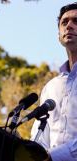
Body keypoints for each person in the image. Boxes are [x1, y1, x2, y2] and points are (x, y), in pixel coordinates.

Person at [31, 2, 77, 161]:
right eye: (64, 22)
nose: (69, 25)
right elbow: (40, 134)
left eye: (76, 21)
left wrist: (52, 157)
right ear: (59, 35)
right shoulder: (51, 87)